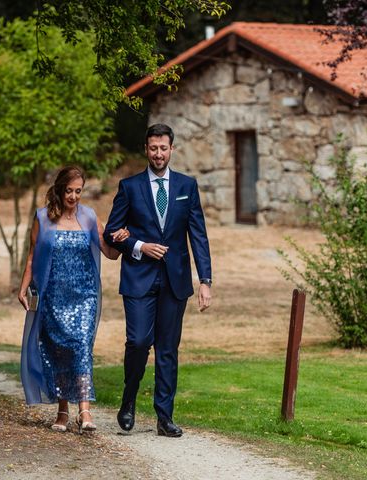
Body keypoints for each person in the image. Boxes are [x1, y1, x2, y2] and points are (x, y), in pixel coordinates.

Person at [104, 123, 212, 437]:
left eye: (163, 148)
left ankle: (165, 417)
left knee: (167, 349)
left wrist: (205, 280)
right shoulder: (130, 187)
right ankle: (128, 397)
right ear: (146, 149)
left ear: (171, 149)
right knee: (138, 342)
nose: (158, 154)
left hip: (175, 281)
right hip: (138, 278)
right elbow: (113, 231)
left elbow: (199, 237)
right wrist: (138, 246)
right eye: (153, 148)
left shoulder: (186, 186)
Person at [18, 166, 129, 433]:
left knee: (80, 347)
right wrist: (23, 289)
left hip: (85, 296)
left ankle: (85, 412)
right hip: (53, 295)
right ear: (59, 189)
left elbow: (110, 253)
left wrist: (122, 240)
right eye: (69, 190)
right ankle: (62, 412)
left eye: (78, 191)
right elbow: (33, 256)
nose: (74, 196)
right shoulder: (43, 218)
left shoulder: (90, 217)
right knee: (59, 353)